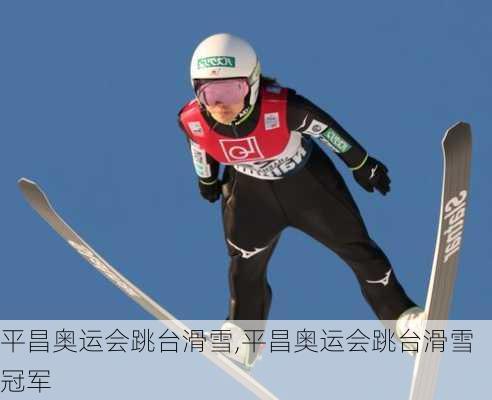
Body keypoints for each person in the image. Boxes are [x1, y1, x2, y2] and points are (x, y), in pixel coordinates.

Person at [178, 33, 424, 368]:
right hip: (251, 198)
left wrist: (362, 164)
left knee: (358, 250)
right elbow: (199, 146)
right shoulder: (192, 119)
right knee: (244, 267)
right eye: (208, 92)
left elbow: (327, 130)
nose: (220, 104)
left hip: (308, 188)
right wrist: (206, 180)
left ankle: (403, 319)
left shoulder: (283, 107)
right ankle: (241, 338)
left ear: (252, 84)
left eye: (231, 91)